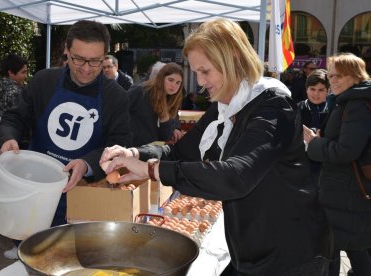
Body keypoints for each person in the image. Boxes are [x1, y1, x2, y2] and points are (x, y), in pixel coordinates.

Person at [100, 19, 332, 275]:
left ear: (232, 59)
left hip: (291, 254)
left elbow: (235, 175)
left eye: (206, 71)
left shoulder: (274, 108)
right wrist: (133, 153)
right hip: (251, 249)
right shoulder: (224, 108)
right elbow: (179, 151)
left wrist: (153, 170)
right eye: (196, 71)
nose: (199, 81)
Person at [0, 20, 131, 259]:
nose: (87, 68)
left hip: (81, 198)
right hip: (35, 192)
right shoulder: (43, 81)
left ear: (105, 57)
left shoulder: (116, 97)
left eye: (96, 61)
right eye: (78, 59)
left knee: (71, 261)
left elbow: (119, 146)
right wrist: (8, 138)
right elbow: (14, 118)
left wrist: (87, 163)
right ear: (66, 51)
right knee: (33, 258)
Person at [303, 53, 371, 276]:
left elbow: (346, 151)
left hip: (347, 190)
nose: (333, 80)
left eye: (339, 75)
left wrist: (315, 143)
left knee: (343, 246)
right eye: (331, 75)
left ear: (355, 76)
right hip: (343, 188)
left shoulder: (356, 104)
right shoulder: (349, 101)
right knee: (349, 245)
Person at [127, 62, 184, 146]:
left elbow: (165, 136)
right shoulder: (141, 91)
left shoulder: (171, 99)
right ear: (161, 78)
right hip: (130, 146)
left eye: (178, 83)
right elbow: (117, 111)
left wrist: (165, 120)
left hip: (151, 150)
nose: (174, 85)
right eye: (170, 80)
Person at [298, 69, 329, 186]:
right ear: (306, 90)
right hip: (301, 164)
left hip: (325, 166)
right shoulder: (296, 110)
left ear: (328, 90)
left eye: (321, 90)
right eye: (312, 89)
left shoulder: (333, 111)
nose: (316, 94)